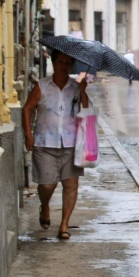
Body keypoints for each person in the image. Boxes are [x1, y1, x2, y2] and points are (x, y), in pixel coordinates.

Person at [22, 50, 89, 240]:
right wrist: (28, 135)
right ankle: (45, 205)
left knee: (71, 185)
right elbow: (28, 109)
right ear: (53, 62)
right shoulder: (41, 86)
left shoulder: (76, 88)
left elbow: (87, 110)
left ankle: (64, 224)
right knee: (47, 185)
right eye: (61, 61)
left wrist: (83, 92)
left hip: (71, 144)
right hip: (44, 143)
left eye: (68, 63)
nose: (64, 66)